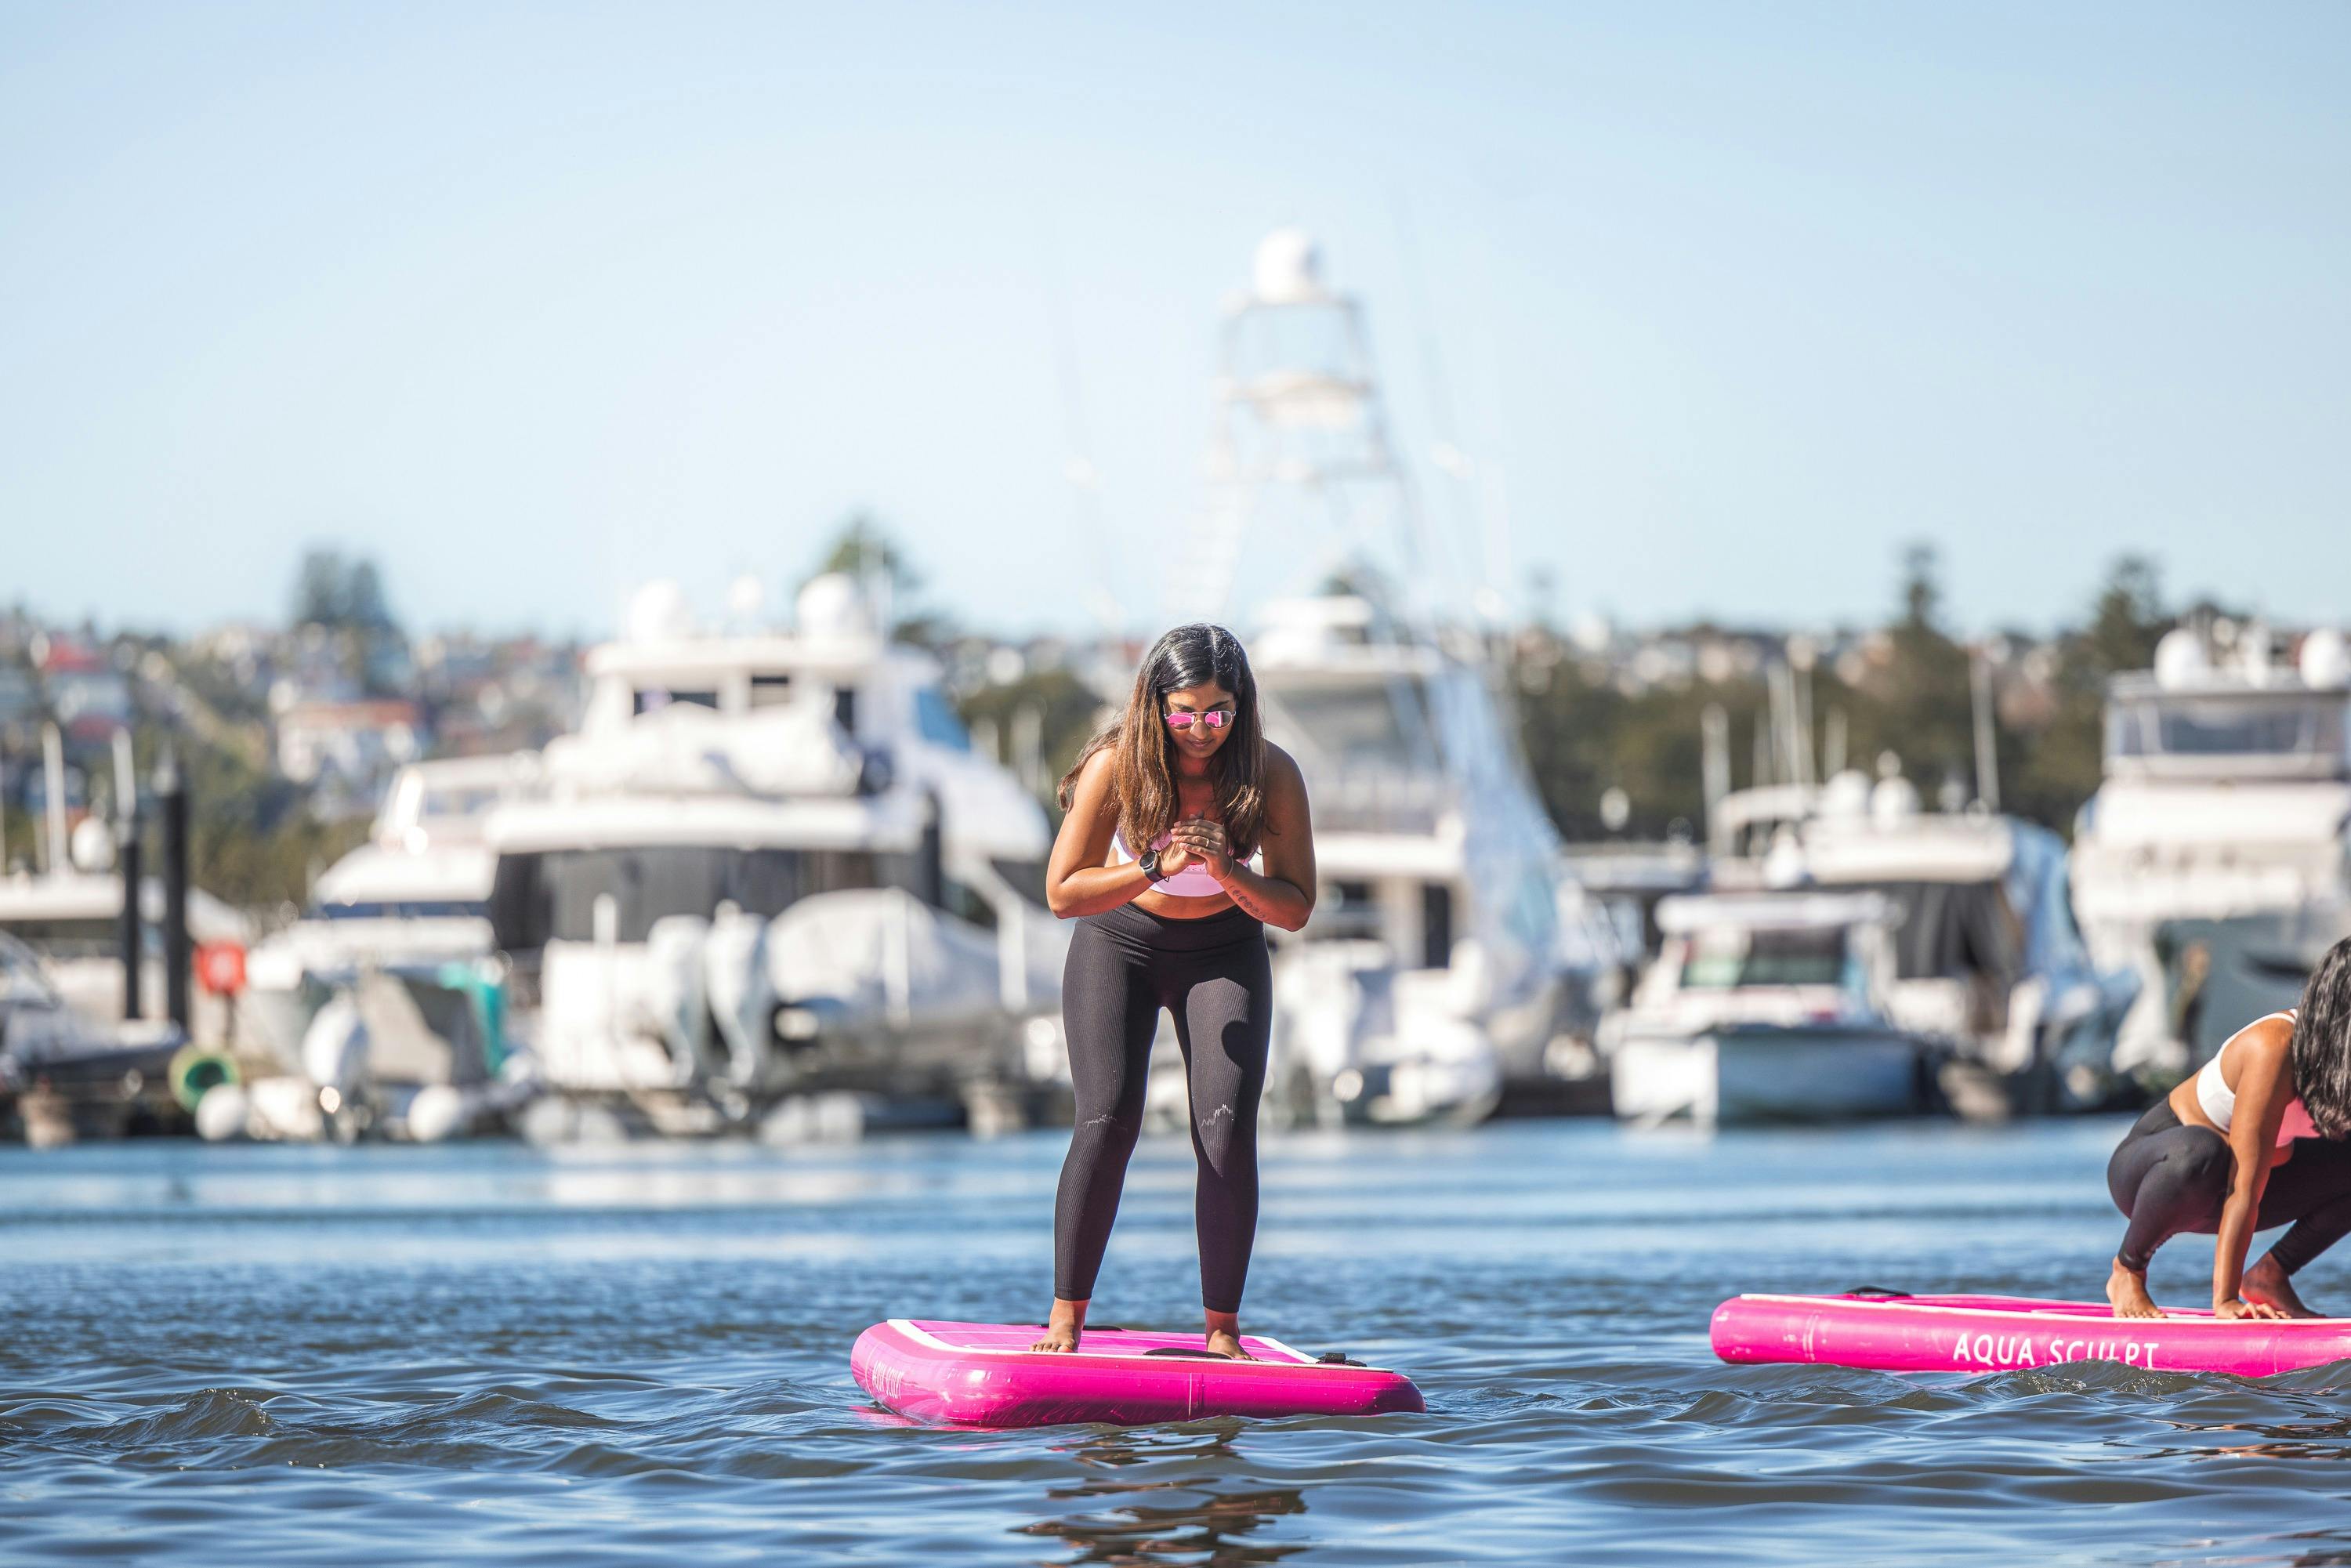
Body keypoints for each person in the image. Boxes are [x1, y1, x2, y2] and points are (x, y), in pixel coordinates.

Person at [1031, 623, 1316, 1358]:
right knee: (1108, 1119)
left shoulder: (1270, 774)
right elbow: (1064, 892)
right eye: (1183, 712)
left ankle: (1222, 1332)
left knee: (1223, 1129)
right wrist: (1154, 867)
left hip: (1224, 948)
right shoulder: (1118, 767)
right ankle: (1065, 1320)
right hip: (1119, 941)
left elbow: (1295, 906)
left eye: (1218, 712)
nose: (1200, 730)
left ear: (1242, 707)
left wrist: (1229, 873)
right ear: (1155, 705)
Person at [2106, 936, 2351, 1320]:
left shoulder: (2342, 1070)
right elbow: (2243, 1189)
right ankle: (2127, 1271)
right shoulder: (2274, 1047)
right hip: (2157, 1175)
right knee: (2205, 1151)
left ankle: (2269, 1277)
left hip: (2234, 1190)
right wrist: (2225, 1303)